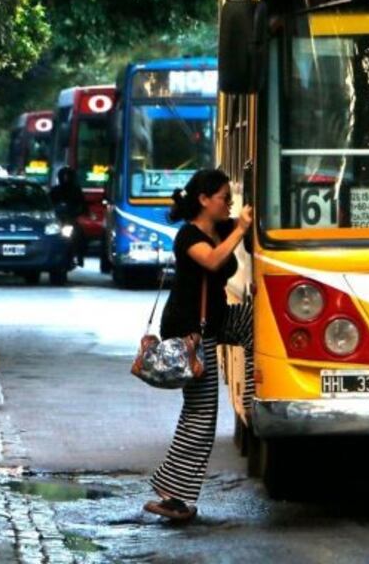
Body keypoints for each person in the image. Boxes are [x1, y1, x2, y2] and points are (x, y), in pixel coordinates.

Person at [145, 169, 254, 522]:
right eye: (224, 198)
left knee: (256, 320)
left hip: (215, 321)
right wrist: (240, 229)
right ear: (204, 200)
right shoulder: (188, 236)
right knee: (201, 413)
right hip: (189, 331)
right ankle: (172, 496)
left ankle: (253, 400)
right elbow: (213, 260)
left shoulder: (221, 226)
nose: (230, 203)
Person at [49, 166, 87, 267]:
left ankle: (80, 256)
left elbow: (83, 204)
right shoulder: (55, 191)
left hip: (71, 219)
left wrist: (80, 211)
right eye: (64, 176)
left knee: (80, 236)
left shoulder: (76, 191)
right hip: (58, 220)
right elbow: (49, 205)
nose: (65, 179)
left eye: (68, 176)